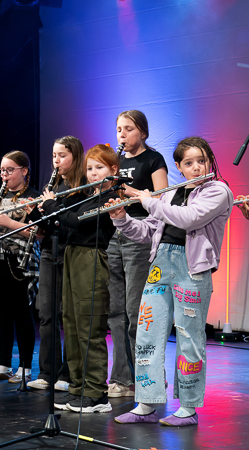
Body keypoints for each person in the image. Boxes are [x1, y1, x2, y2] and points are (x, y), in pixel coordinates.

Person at [111, 137, 232, 427]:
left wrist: (147, 201)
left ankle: (188, 409)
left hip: (192, 268)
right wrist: (122, 219)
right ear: (178, 166)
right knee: (147, 334)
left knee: (189, 337)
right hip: (160, 264)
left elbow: (189, 218)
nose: (196, 167)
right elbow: (147, 232)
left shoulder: (219, 191)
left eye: (201, 161)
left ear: (210, 160)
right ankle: (146, 403)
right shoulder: (170, 194)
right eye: (188, 163)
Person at [41, 144, 121, 413]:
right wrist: (45, 211)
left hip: (91, 259)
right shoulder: (86, 196)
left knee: (89, 327)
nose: (93, 173)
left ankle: (96, 394)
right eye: (89, 168)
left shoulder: (110, 198)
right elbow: (62, 223)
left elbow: (77, 221)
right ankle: (78, 388)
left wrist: (53, 205)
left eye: (99, 168)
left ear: (113, 170)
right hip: (72, 256)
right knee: (72, 325)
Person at [107, 110, 169, 399]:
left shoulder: (153, 159)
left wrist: (128, 191)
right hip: (113, 234)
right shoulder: (115, 162)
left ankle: (149, 377)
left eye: (129, 129)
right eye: (119, 129)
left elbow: (164, 197)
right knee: (116, 313)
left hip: (140, 233)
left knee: (136, 312)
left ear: (143, 132)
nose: (122, 134)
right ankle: (122, 378)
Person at [26, 136, 86, 392]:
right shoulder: (53, 185)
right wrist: (35, 212)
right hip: (50, 251)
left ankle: (68, 374)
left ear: (75, 156)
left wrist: (52, 205)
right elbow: (42, 226)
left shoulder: (83, 185)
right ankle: (47, 371)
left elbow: (74, 221)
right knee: (46, 312)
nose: (56, 161)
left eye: (62, 155)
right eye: (54, 156)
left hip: (71, 251)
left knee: (68, 315)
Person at [0, 151, 39, 384]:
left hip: (22, 261)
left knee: (23, 314)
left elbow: (38, 233)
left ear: (24, 171)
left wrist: (8, 222)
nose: (4, 175)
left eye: (9, 170)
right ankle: (4, 364)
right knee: (2, 314)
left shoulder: (34, 196)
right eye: (2, 171)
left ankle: (25, 367)